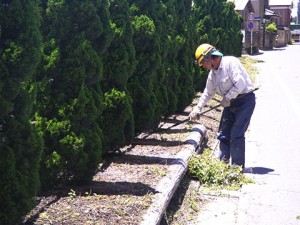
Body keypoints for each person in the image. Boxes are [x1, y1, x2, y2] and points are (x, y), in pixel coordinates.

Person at [189, 43, 256, 169]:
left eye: (204, 64)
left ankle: (236, 169)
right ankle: (222, 166)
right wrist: (198, 108)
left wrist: (227, 98)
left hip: (245, 101)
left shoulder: (230, 63)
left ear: (210, 58)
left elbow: (240, 84)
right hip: (230, 103)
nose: (204, 67)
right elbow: (208, 93)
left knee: (236, 133)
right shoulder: (213, 74)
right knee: (224, 133)